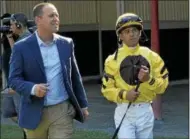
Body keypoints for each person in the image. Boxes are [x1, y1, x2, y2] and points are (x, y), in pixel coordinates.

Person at [8, 2, 89, 139]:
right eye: (51, 15)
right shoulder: (21, 47)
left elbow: (74, 76)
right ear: (38, 20)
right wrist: (33, 88)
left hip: (62, 111)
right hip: (34, 113)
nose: (56, 18)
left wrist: (83, 104)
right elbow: (13, 80)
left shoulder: (66, 43)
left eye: (57, 15)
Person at [101, 13, 169, 139]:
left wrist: (149, 80)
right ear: (120, 35)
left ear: (140, 33)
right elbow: (107, 90)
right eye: (127, 31)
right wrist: (125, 94)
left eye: (134, 30)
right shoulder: (112, 60)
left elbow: (163, 86)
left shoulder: (152, 57)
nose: (131, 34)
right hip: (124, 111)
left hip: (145, 110)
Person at [1, 13, 31, 139]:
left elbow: (26, 64)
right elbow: (18, 54)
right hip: (21, 84)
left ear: (18, 24)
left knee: (26, 117)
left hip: (24, 85)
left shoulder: (27, 39)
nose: (10, 27)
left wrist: (18, 85)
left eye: (12, 24)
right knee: (10, 111)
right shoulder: (22, 38)